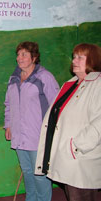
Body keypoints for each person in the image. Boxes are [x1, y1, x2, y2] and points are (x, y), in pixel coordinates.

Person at [35, 43, 101, 201]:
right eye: (74, 57)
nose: (74, 60)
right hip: (66, 156)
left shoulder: (98, 84)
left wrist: (77, 146)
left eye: (80, 57)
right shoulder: (71, 84)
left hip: (80, 158)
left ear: (92, 59)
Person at [4, 41, 60, 201]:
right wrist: (8, 124)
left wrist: (52, 132)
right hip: (19, 136)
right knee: (28, 173)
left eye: (24, 55)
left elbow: (56, 105)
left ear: (34, 57)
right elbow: (8, 104)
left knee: (40, 175)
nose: (19, 59)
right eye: (18, 55)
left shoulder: (44, 77)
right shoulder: (13, 78)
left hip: (38, 136)